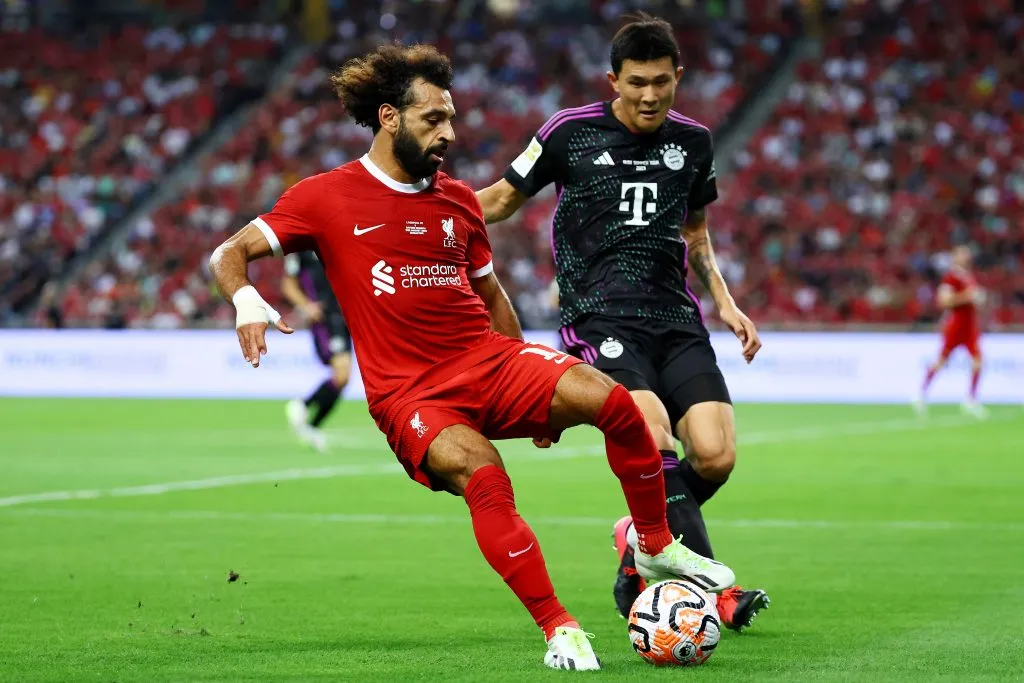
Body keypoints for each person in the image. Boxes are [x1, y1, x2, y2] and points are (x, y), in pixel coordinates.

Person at [208, 43, 735, 671]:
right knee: (485, 478)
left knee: (615, 404)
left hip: (487, 362)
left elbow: (491, 296)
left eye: (451, 119)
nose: (449, 134)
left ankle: (653, 542)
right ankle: (560, 628)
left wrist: (536, 386)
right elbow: (228, 253)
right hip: (411, 393)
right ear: (389, 118)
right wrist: (245, 298)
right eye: (433, 119)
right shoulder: (325, 197)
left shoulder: (457, 200)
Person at [475, 14, 769, 630]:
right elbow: (499, 200)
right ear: (613, 81)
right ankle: (714, 590)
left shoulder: (694, 141)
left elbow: (696, 232)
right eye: (637, 82)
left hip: (675, 317)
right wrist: (420, 217)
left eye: (662, 82)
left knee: (715, 455)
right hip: (599, 316)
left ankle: (637, 536)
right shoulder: (569, 132)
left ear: (678, 76)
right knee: (653, 438)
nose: (650, 95)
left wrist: (724, 300)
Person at [280, 251, 352, 451]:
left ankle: (312, 425)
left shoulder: (337, 244)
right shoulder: (301, 251)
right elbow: (288, 284)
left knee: (343, 379)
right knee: (342, 373)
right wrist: (306, 306)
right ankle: (303, 405)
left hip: (344, 316)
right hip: (324, 317)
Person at [916, 245, 987, 418]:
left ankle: (971, 399)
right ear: (955, 257)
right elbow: (944, 301)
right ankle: (922, 394)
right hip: (956, 326)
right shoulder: (951, 278)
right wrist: (967, 297)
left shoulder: (967, 276)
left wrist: (977, 300)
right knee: (941, 361)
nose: (966, 257)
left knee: (978, 361)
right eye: (962, 254)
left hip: (970, 327)